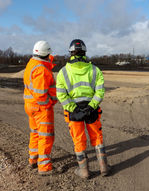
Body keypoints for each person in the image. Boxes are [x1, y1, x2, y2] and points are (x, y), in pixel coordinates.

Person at [56, 39, 110, 178]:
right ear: (84, 52)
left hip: (74, 113)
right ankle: (104, 167)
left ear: (71, 53)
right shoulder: (95, 70)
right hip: (91, 110)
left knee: (78, 140)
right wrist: (91, 107)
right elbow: (100, 92)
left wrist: (74, 109)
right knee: (97, 137)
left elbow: (61, 95)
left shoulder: (63, 72)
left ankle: (84, 171)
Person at [23, 40, 57, 176]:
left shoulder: (32, 64)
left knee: (35, 133)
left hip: (30, 106)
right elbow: (40, 95)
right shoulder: (41, 70)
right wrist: (49, 104)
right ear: (46, 54)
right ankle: (44, 167)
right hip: (41, 108)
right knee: (45, 136)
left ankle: (33, 159)